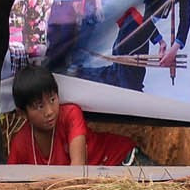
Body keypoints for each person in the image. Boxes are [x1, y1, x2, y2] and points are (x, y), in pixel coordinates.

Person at [8, 65, 138, 166]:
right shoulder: (21, 142)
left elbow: (77, 169)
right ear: (22, 113)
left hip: (124, 162)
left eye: (53, 100)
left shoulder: (70, 115)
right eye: (40, 106)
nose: (49, 112)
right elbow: (6, 183)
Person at [111, 0, 190, 92]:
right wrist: (161, 41)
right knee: (125, 75)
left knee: (138, 73)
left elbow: (185, 19)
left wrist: (174, 49)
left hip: (146, 30)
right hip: (133, 27)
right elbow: (145, 17)